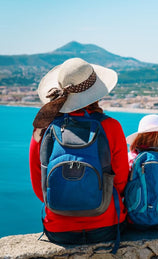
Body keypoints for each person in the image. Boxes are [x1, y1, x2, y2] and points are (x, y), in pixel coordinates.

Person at [29, 58, 129, 247]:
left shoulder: (43, 128)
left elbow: (38, 183)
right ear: (95, 93)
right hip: (106, 226)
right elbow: (121, 180)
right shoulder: (111, 126)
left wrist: (65, 202)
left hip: (59, 230)